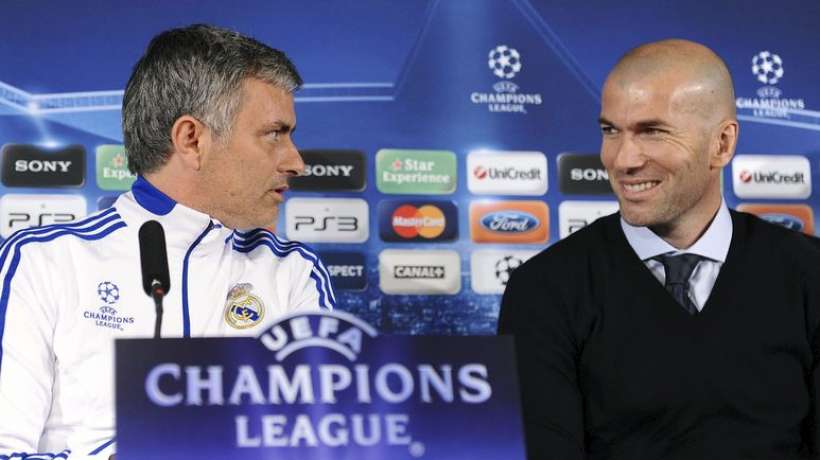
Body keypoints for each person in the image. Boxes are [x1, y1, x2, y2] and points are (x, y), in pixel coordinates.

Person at [0, 24, 335, 459]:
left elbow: (324, 446)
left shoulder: (293, 271)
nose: (296, 162)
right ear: (191, 140)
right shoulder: (44, 260)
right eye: (274, 134)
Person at [498, 39, 820, 459]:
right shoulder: (544, 289)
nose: (622, 160)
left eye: (651, 131)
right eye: (611, 131)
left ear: (722, 144)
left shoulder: (809, 273)